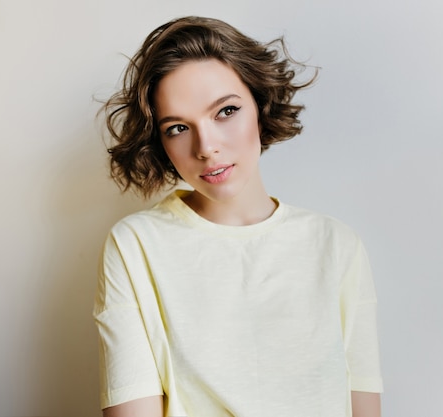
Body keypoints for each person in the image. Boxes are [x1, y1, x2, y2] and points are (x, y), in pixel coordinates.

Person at [93, 16, 383, 417]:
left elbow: (363, 406)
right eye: (177, 128)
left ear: (260, 107)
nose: (206, 146)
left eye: (226, 111)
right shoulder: (135, 246)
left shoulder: (337, 245)